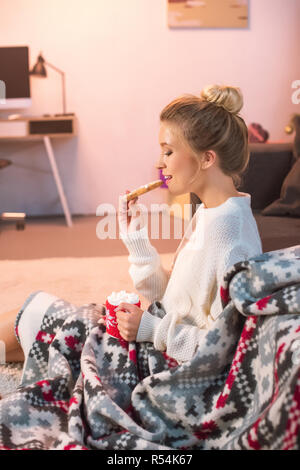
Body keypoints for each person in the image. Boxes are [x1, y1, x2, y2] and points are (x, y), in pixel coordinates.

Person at [0, 84, 262, 366]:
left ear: (207, 158)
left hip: (159, 361)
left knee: (38, 314)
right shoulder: (212, 213)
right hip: (154, 338)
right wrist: (136, 236)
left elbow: (230, 349)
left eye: (168, 152)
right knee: (41, 323)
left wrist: (151, 329)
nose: (160, 163)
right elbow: (170, 298)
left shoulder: (230, 235)